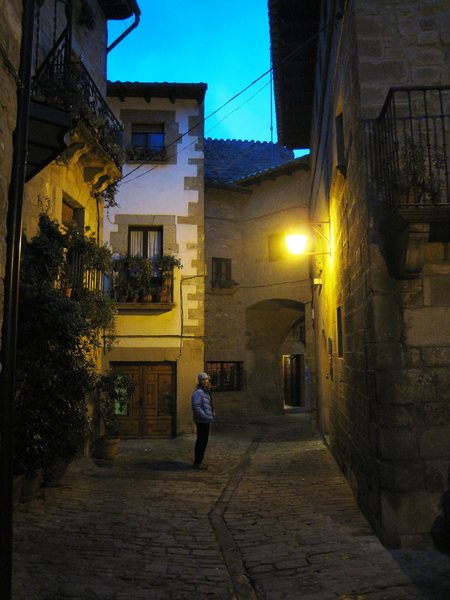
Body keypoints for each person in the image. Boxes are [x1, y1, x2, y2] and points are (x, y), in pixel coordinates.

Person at [191, 373, 215, 469]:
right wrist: (205, 416)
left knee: (203, 441)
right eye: (203, 380)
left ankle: (199, 461)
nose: (205, 381)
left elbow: (209, 405)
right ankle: (198, 462)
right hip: (201, 421)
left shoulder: (206, 391)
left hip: (206, 420)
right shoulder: (198, 393)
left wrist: (212, 414)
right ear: (200, 381)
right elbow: (196, 407)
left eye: (206, 379)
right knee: (201, 441)